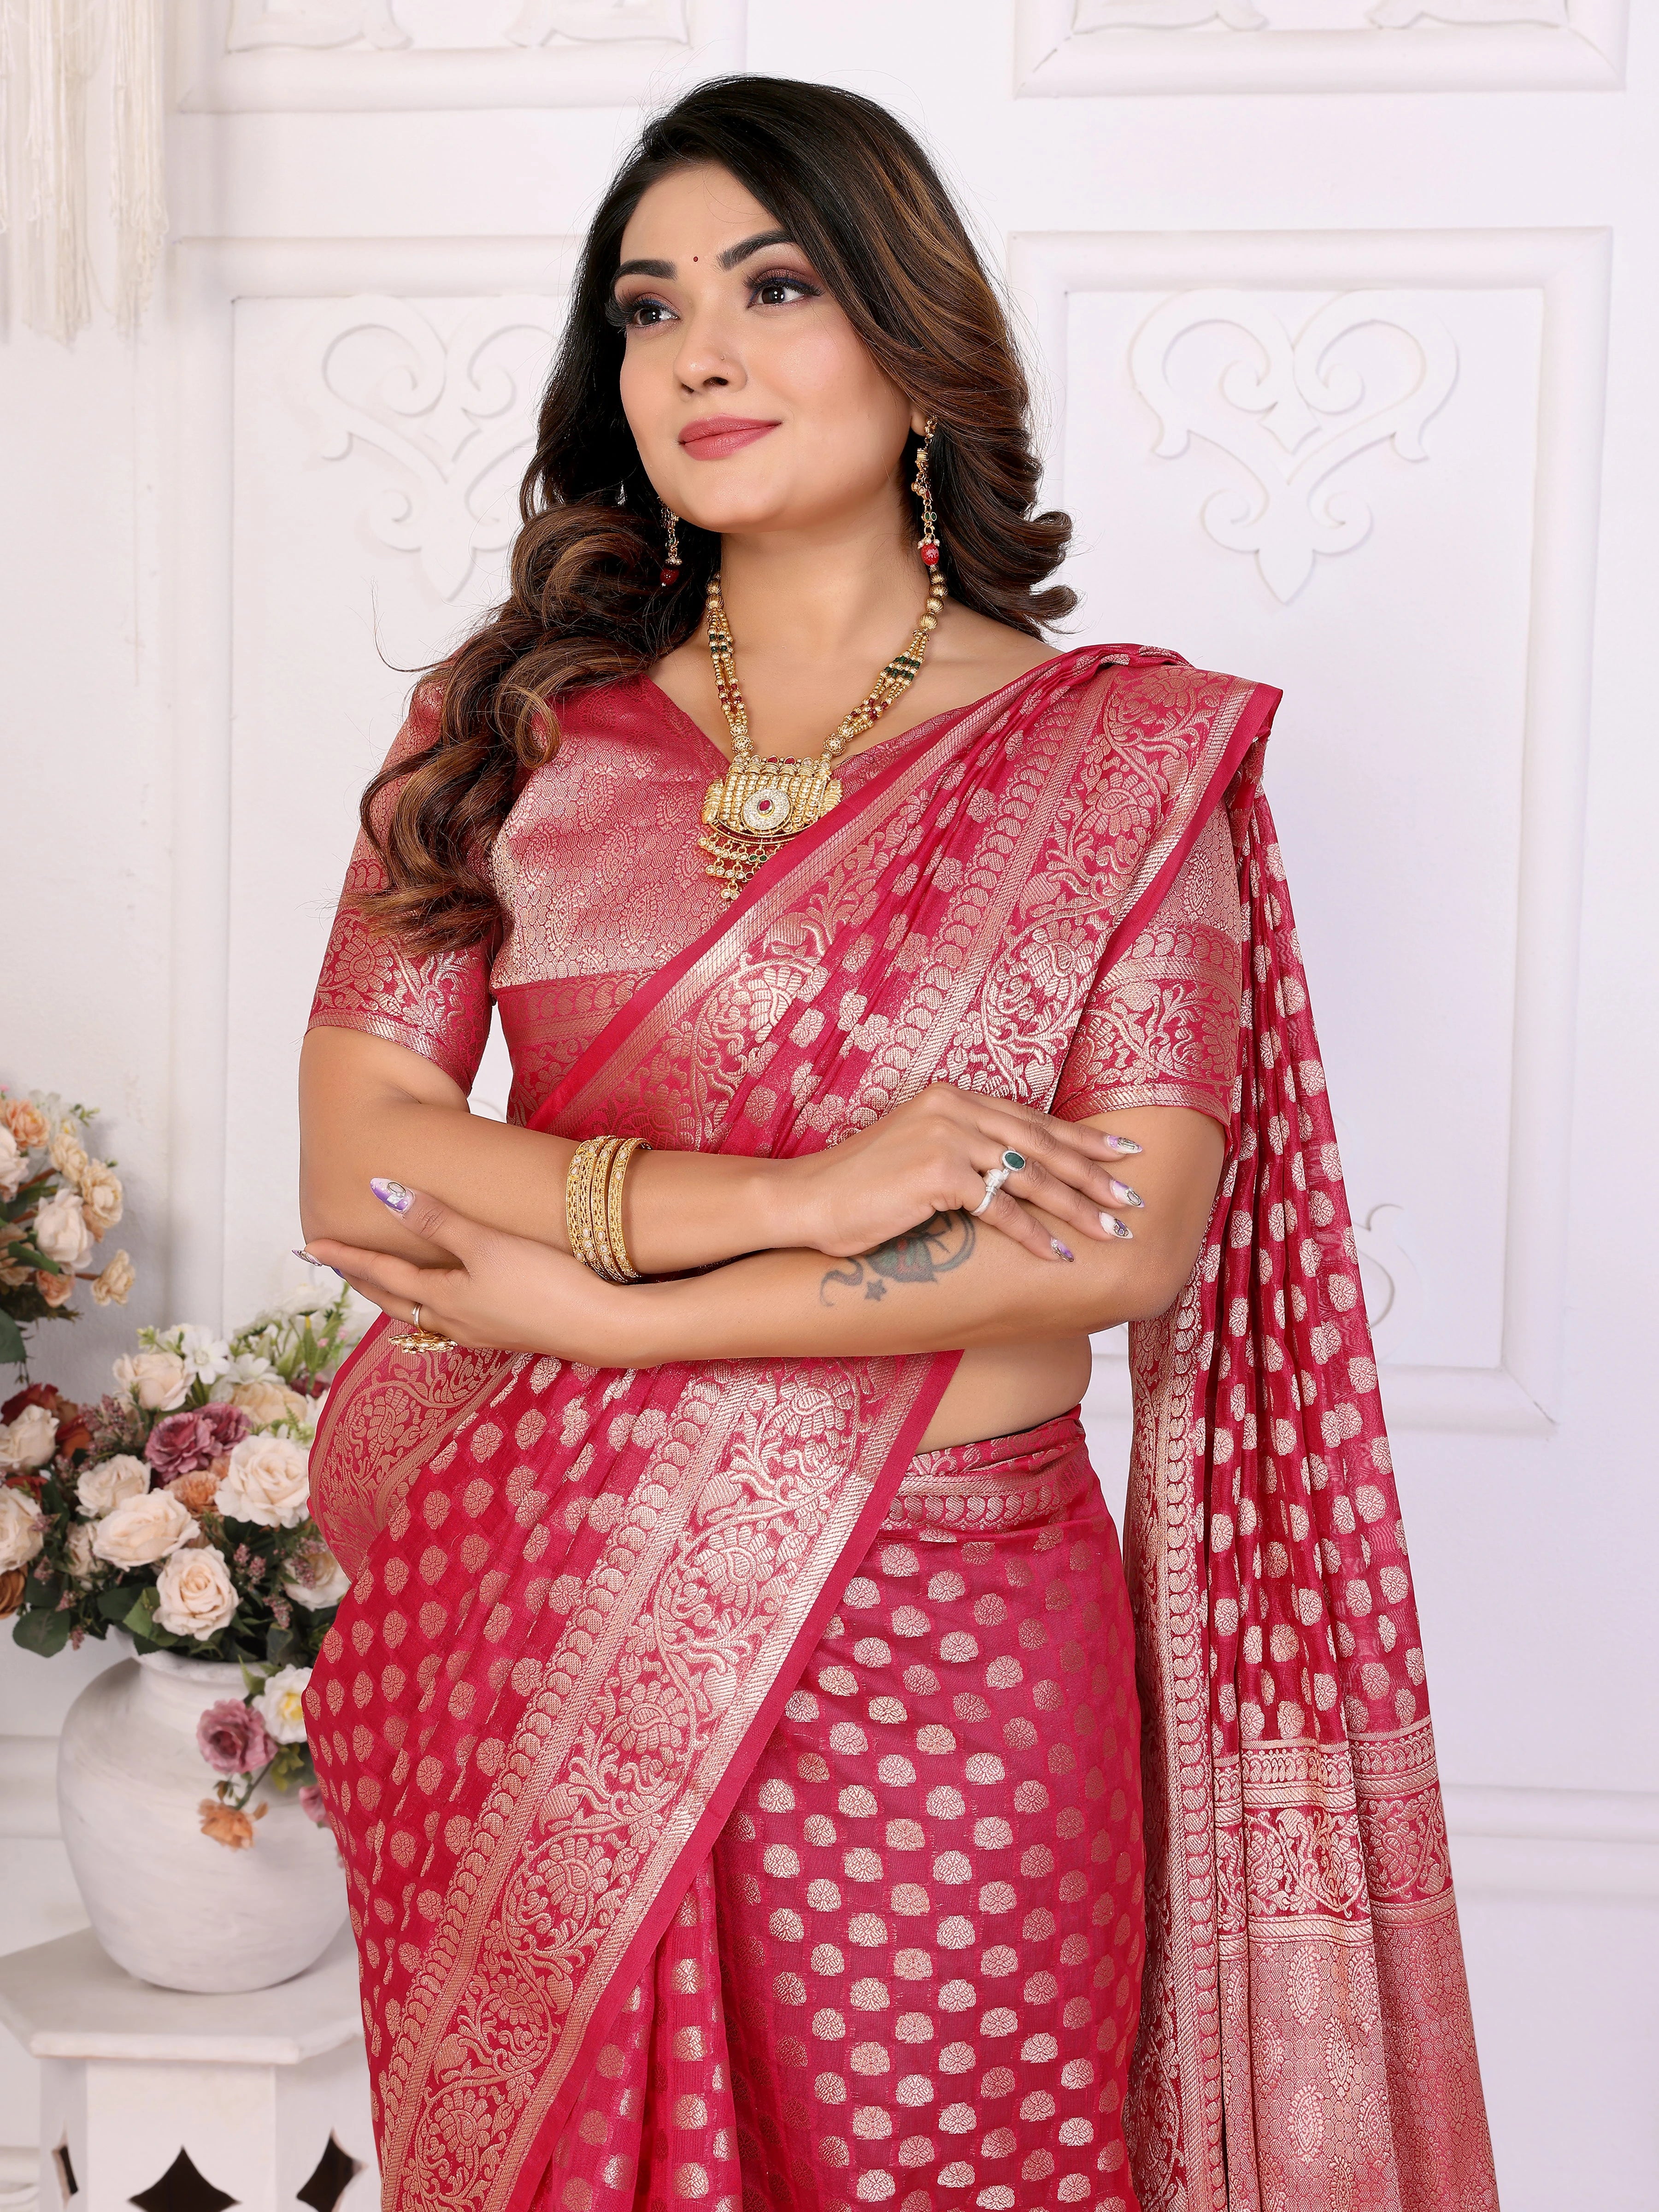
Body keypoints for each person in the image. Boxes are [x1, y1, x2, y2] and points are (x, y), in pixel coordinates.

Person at [296, 76, 1497, 2212]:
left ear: (914, 335)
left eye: (774, 285)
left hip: (950, 1645)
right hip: (535, 1623)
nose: (702, 354)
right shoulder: (507, 730)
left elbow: (1114, 1244)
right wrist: (799, 1204)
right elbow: (364, 1150)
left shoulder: (1118, 757)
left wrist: (617, 1315)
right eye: (648, 309)